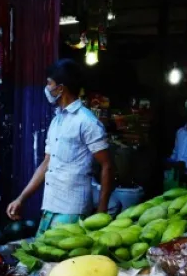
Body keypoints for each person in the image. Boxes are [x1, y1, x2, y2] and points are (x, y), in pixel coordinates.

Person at [6, 59, 113, 232]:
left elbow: (107, 165)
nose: (47, 88)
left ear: (61, 88)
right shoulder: (57, 120)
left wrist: (101, 211)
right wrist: (21, 199)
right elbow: (46, 164)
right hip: (51, 204)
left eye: (50, 83)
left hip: (72, 209)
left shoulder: (86, 122)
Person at [167, 97, 187, 184]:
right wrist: (171, 162)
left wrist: (186, 165)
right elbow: (175, 153)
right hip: (178, 178)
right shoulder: (180, 132)